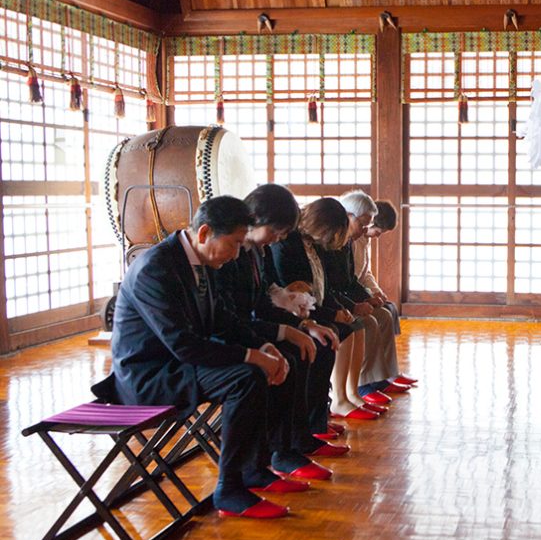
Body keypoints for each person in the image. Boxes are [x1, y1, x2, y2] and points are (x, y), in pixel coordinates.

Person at [111, 196, 292, 519]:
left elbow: (222, 319)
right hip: (150, 376)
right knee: (245, 378)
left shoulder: (200, 260)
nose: (237, 254)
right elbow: (184, 345)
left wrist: (263, 347)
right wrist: (252, 356)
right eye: (235, 244)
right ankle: (230, 488)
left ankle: (254, 469)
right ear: (205, 232)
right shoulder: (155, 268)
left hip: (179, 366)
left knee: (264, 366)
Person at [212, 184, 347, 484]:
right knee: (286, 357)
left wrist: (303, 325)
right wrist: (277, 336)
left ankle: (293, 443)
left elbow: (261, 302)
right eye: (277, 231)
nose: (280, 238)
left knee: (307, 345)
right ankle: (276, 453)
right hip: (235, 334)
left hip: (250, 326)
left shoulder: (254, 252)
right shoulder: (228, 254)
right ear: (256, 219)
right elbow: (231, 316)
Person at [269, 198, 378, 423]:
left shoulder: (312, 243)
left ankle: (322, 414)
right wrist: (329, 315)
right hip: (294, 314)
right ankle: (313, 420)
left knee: (344, 330)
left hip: (313, 310)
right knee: (325, 341)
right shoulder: (288, 244)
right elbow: (294, 290)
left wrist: (338, 309)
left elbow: (323, 287)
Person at [339, 192, 414, 401]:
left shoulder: (362, 239)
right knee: (373, 319)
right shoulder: (350, 240)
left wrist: (376, 292)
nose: (373, 234)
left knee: (388, 311)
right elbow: (349, 279)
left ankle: (385, 375)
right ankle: (364, 382)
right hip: (348, 298)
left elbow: (365, 274)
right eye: (375, 230)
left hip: (357, 293)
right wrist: (365, 298)